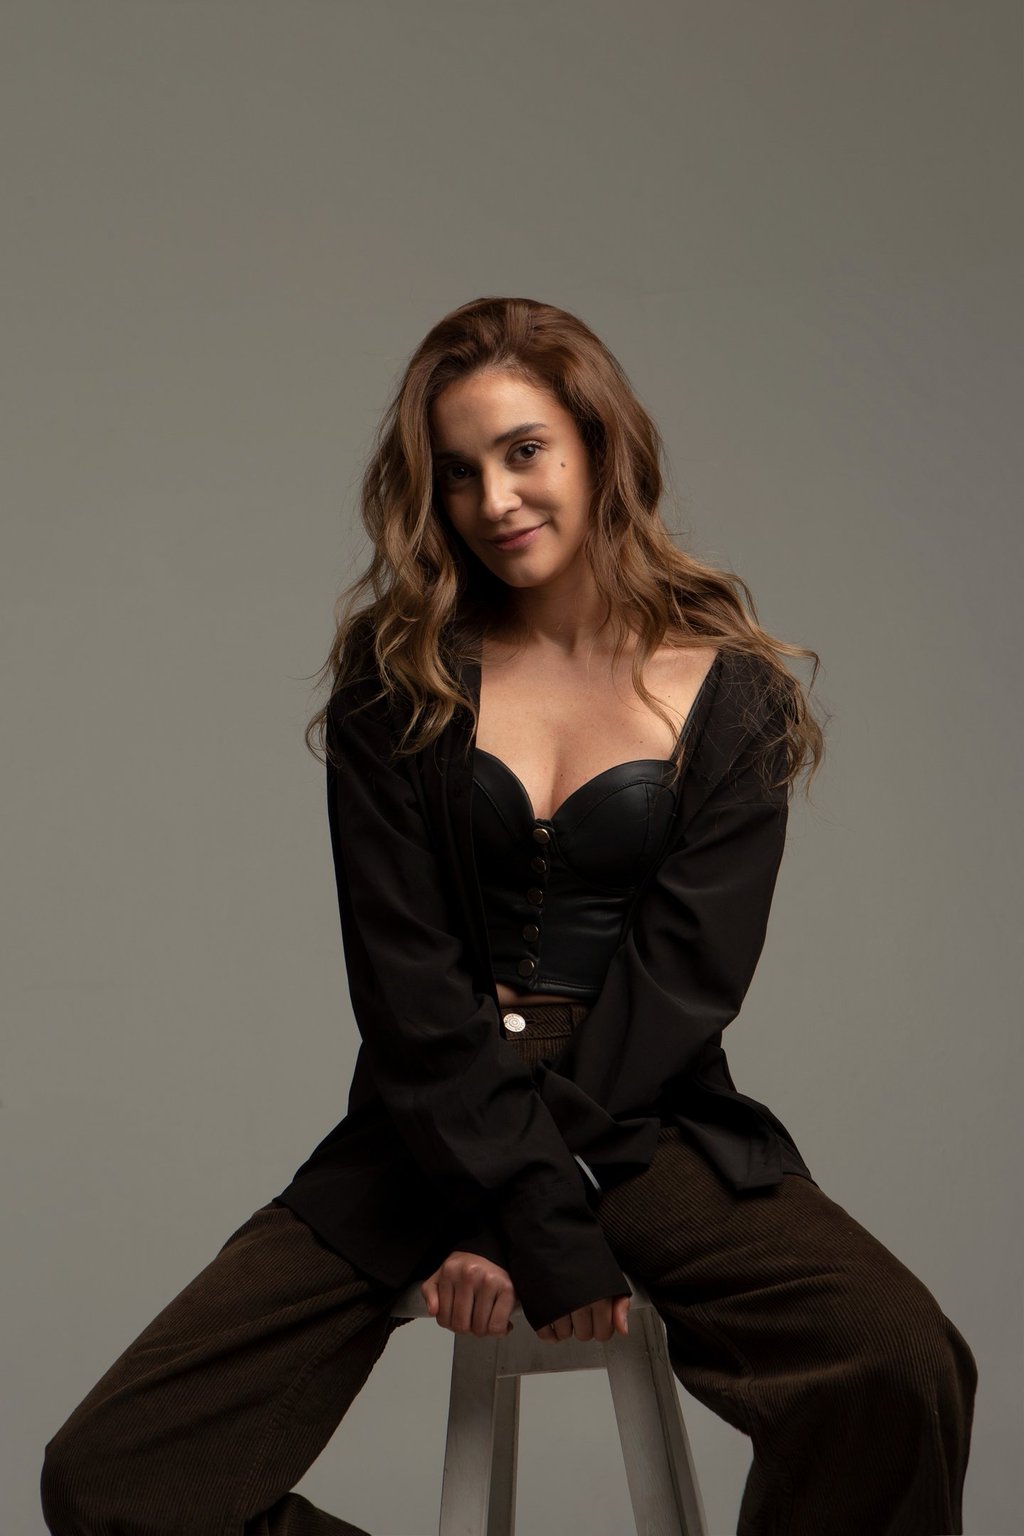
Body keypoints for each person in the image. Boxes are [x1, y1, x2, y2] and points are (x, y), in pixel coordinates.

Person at [41, 295, 977, 1536]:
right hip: (428, 1114)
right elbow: (408, 984)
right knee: (111, 1476)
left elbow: (684, 979)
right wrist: (509, 1203)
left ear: (596, 446)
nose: (494, 499)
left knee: (902, 1365)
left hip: (639, 1115)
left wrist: (531, 1209)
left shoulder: (733, 695)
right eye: (458, 471)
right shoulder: (396, 681)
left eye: (524, 450)